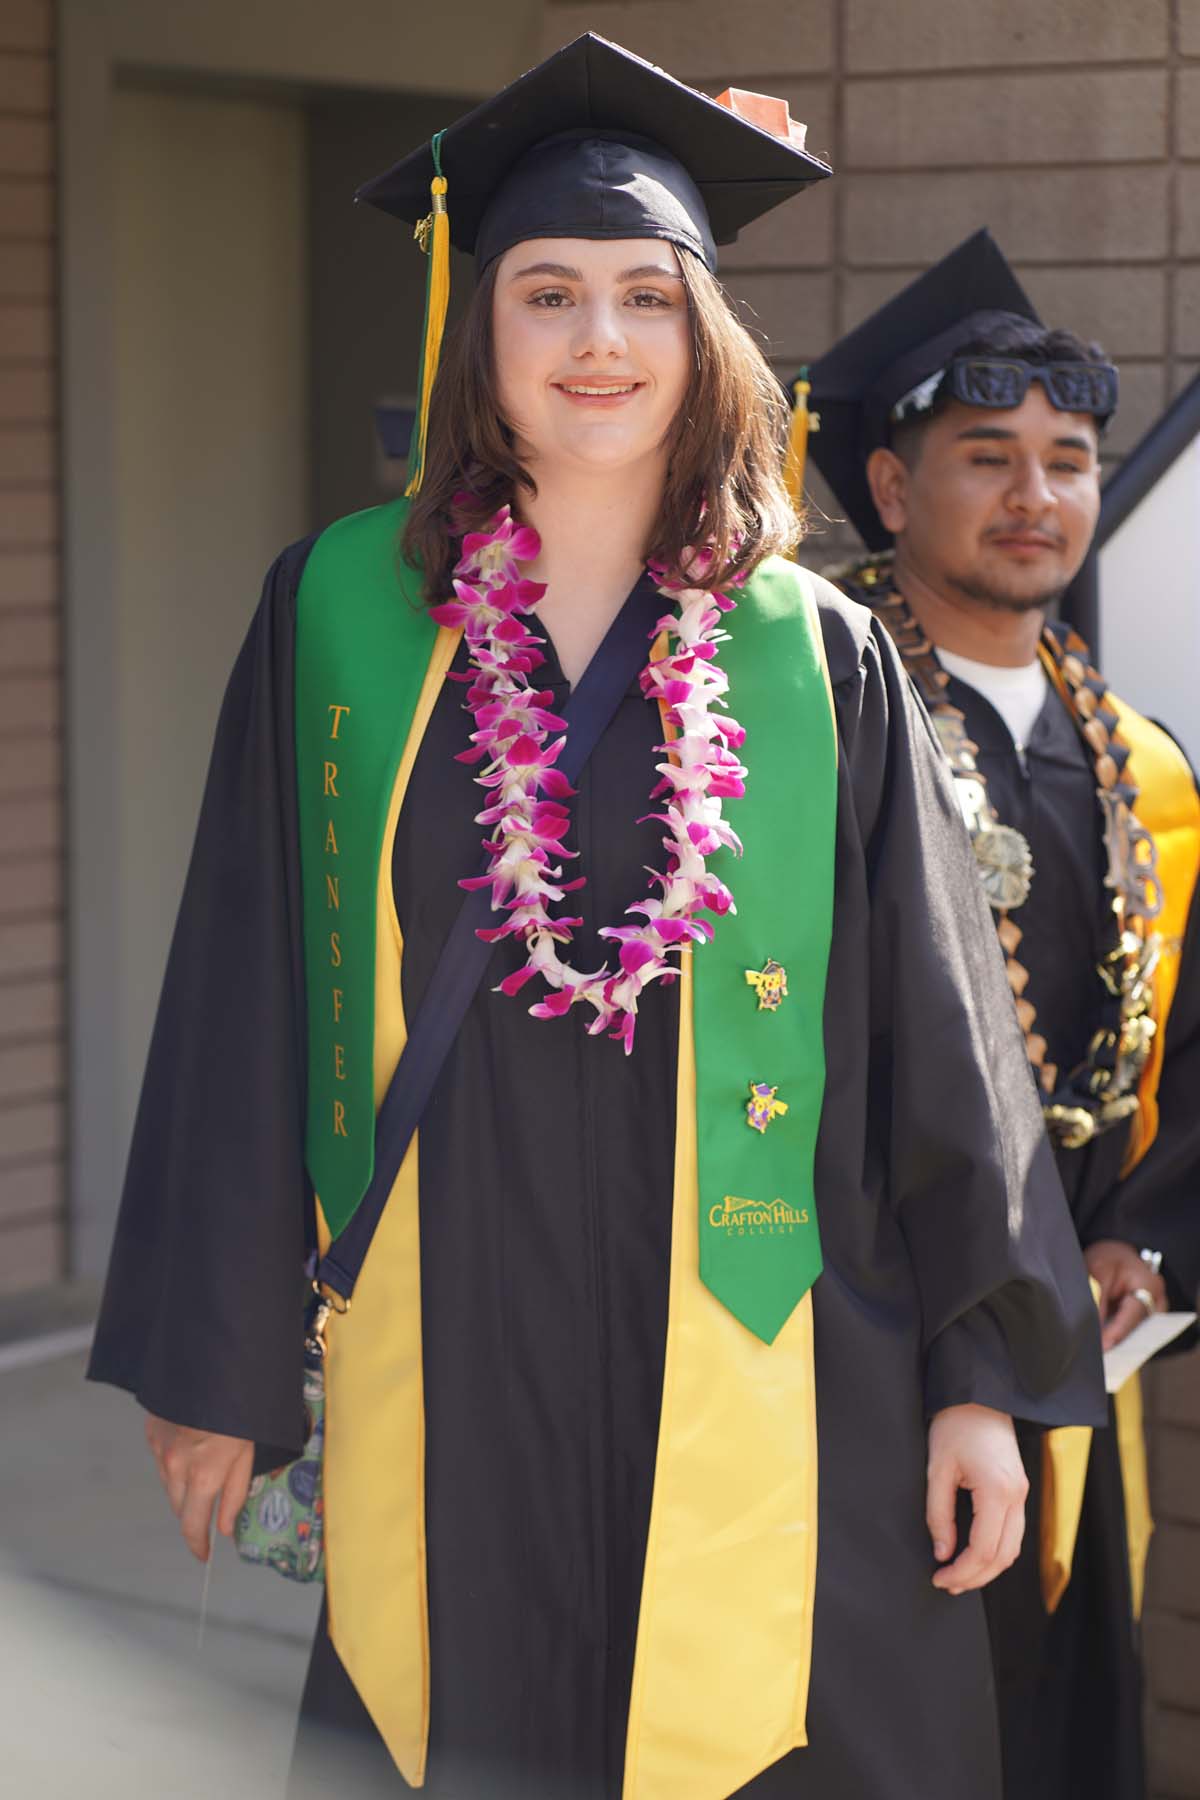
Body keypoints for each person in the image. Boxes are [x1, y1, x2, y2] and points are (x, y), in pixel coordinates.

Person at [89, 44, 1105, 1800]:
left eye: (647, 295)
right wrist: (218, 1361)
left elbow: (941, 1036)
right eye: (546, 292)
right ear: (478, 328)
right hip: (453, 1330)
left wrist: (982, 1377)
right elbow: (245, 987)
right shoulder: (338, 613)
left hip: (779, 1341)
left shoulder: (816, 654)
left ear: (706, 338)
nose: (599, 340)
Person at [801, 228, 1200, 1800]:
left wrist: (1145, 1246)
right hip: (863, 1343)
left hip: (1075, 1359)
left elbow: (1189, 1058)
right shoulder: (814, 718)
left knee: (1059, 1725)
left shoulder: (1142, 767)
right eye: (987, 457)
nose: (1037, 495)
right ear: (891, 489)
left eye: (1070, 461)